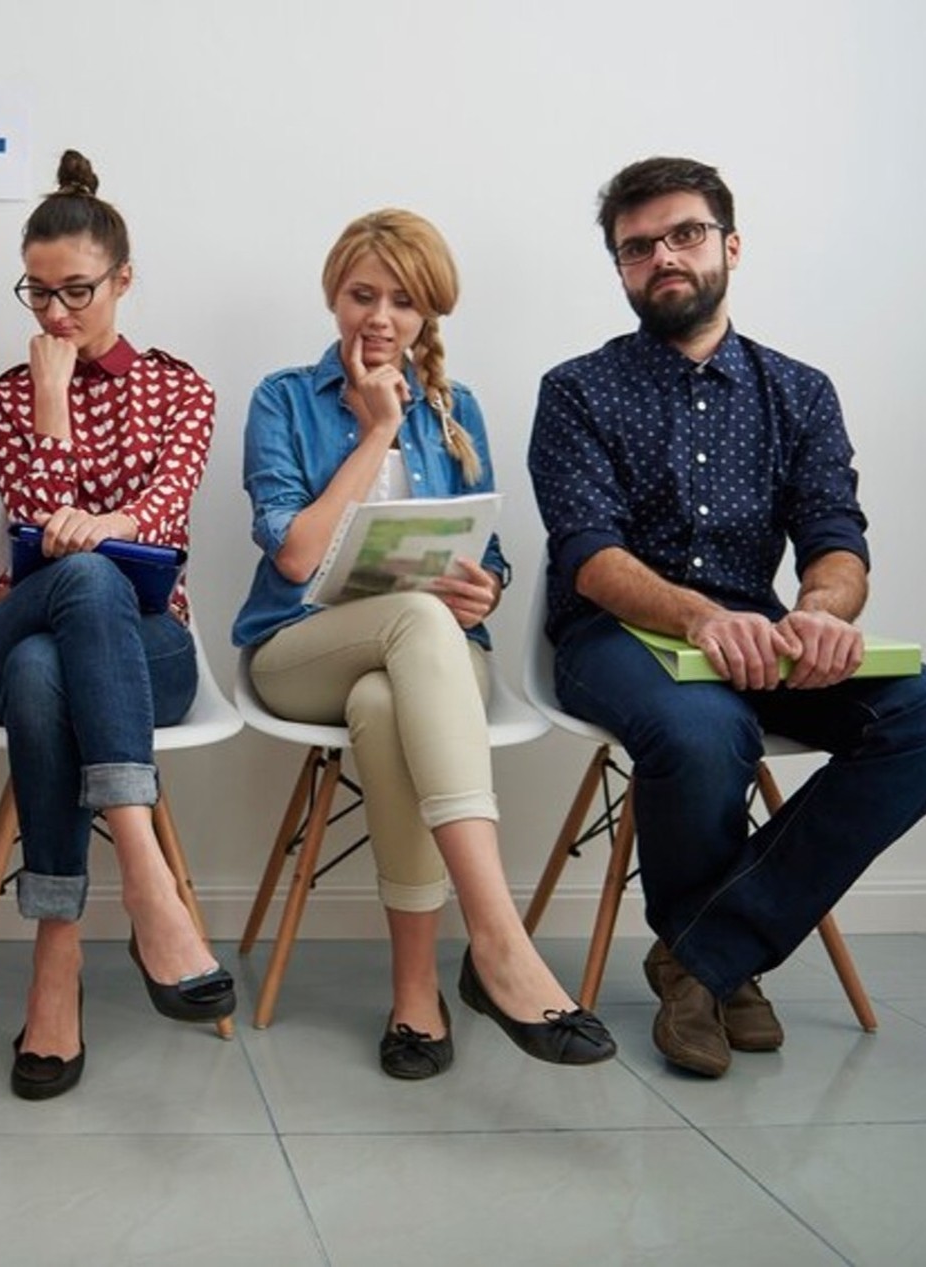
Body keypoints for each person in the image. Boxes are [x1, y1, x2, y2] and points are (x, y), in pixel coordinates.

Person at [529, 156, 926, 1077]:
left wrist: (823, 613)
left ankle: (704, 955)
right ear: (621, 268)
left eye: (684, 234)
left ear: (730, 246)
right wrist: (699, 617)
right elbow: (589, 553)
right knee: (706, 727)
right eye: (638, 246)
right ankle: (721, 968)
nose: (663, 256)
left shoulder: (800, 390)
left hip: (763, 633)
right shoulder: (577, 388)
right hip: (609, 637)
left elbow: (835, 535)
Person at [234, 210, 616, 1077]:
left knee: (385, 698)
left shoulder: (458, 406)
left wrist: (489, 587)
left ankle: (416, 993)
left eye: (403, 301)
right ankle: (498, 940)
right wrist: (376, 430)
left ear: (428, 311)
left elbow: (488, 548)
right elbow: (294, 557)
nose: (381, 317)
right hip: (301, 650)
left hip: (432, 660)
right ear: (334, 295)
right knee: (413, 618)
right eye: (362, 294)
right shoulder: (282, 398)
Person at [0, 149, 227, 1102]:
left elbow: (164, 516)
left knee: (50, 667)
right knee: (73, 581)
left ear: (123, 279)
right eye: (37, 292)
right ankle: (145, 876)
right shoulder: (3, 397)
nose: (54, 313)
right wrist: (49, 398)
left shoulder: (184, 390)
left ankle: (56, 960)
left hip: (149, 647)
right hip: (10, 626)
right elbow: (36, 530)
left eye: (76, 290)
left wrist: (105, 525)